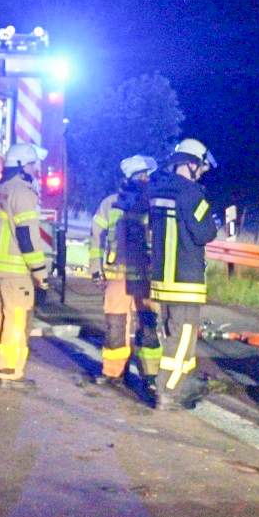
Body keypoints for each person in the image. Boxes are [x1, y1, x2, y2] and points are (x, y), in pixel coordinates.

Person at [147, 138, 220, 409]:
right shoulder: (192, 193)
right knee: (182, 339)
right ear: (191, 164)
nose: (201, 172)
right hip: (185, 279)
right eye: (200, 167)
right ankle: (168, 392)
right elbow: (205, 232)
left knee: (171, 334)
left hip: (162, 279)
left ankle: (180, 383)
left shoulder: (158, 190)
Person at [0, 142, 53, 388]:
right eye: (32, 164)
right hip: (15, 270)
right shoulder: (22, 193)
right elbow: (27, 236)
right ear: (22, 166)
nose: (35, 169)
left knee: (2, 320)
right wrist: (40, 271)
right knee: (17, 321)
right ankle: (9, 373)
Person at [87, 154, 158, 386]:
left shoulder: (143, 203)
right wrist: (96, 269)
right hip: (132, 276)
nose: (146, 179)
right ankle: (119, 372)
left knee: (143, 324)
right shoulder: (140, 203)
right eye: (144, 175)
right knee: (120, 324)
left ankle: (149, 374)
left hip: (138, 276)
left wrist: (97, 269)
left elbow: (96, 237)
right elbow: (96, 237)